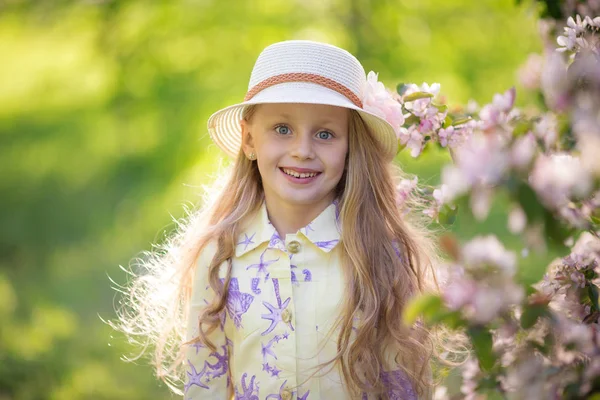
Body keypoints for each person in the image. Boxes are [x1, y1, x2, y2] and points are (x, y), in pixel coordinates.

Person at [114, 40, 439, 399]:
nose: (302, 150)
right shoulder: (220, 254)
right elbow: (205, 385)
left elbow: (400, 387)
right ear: (249, 139)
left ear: (351, 149)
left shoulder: (376, 251)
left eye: (325, 134)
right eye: (282, 129)